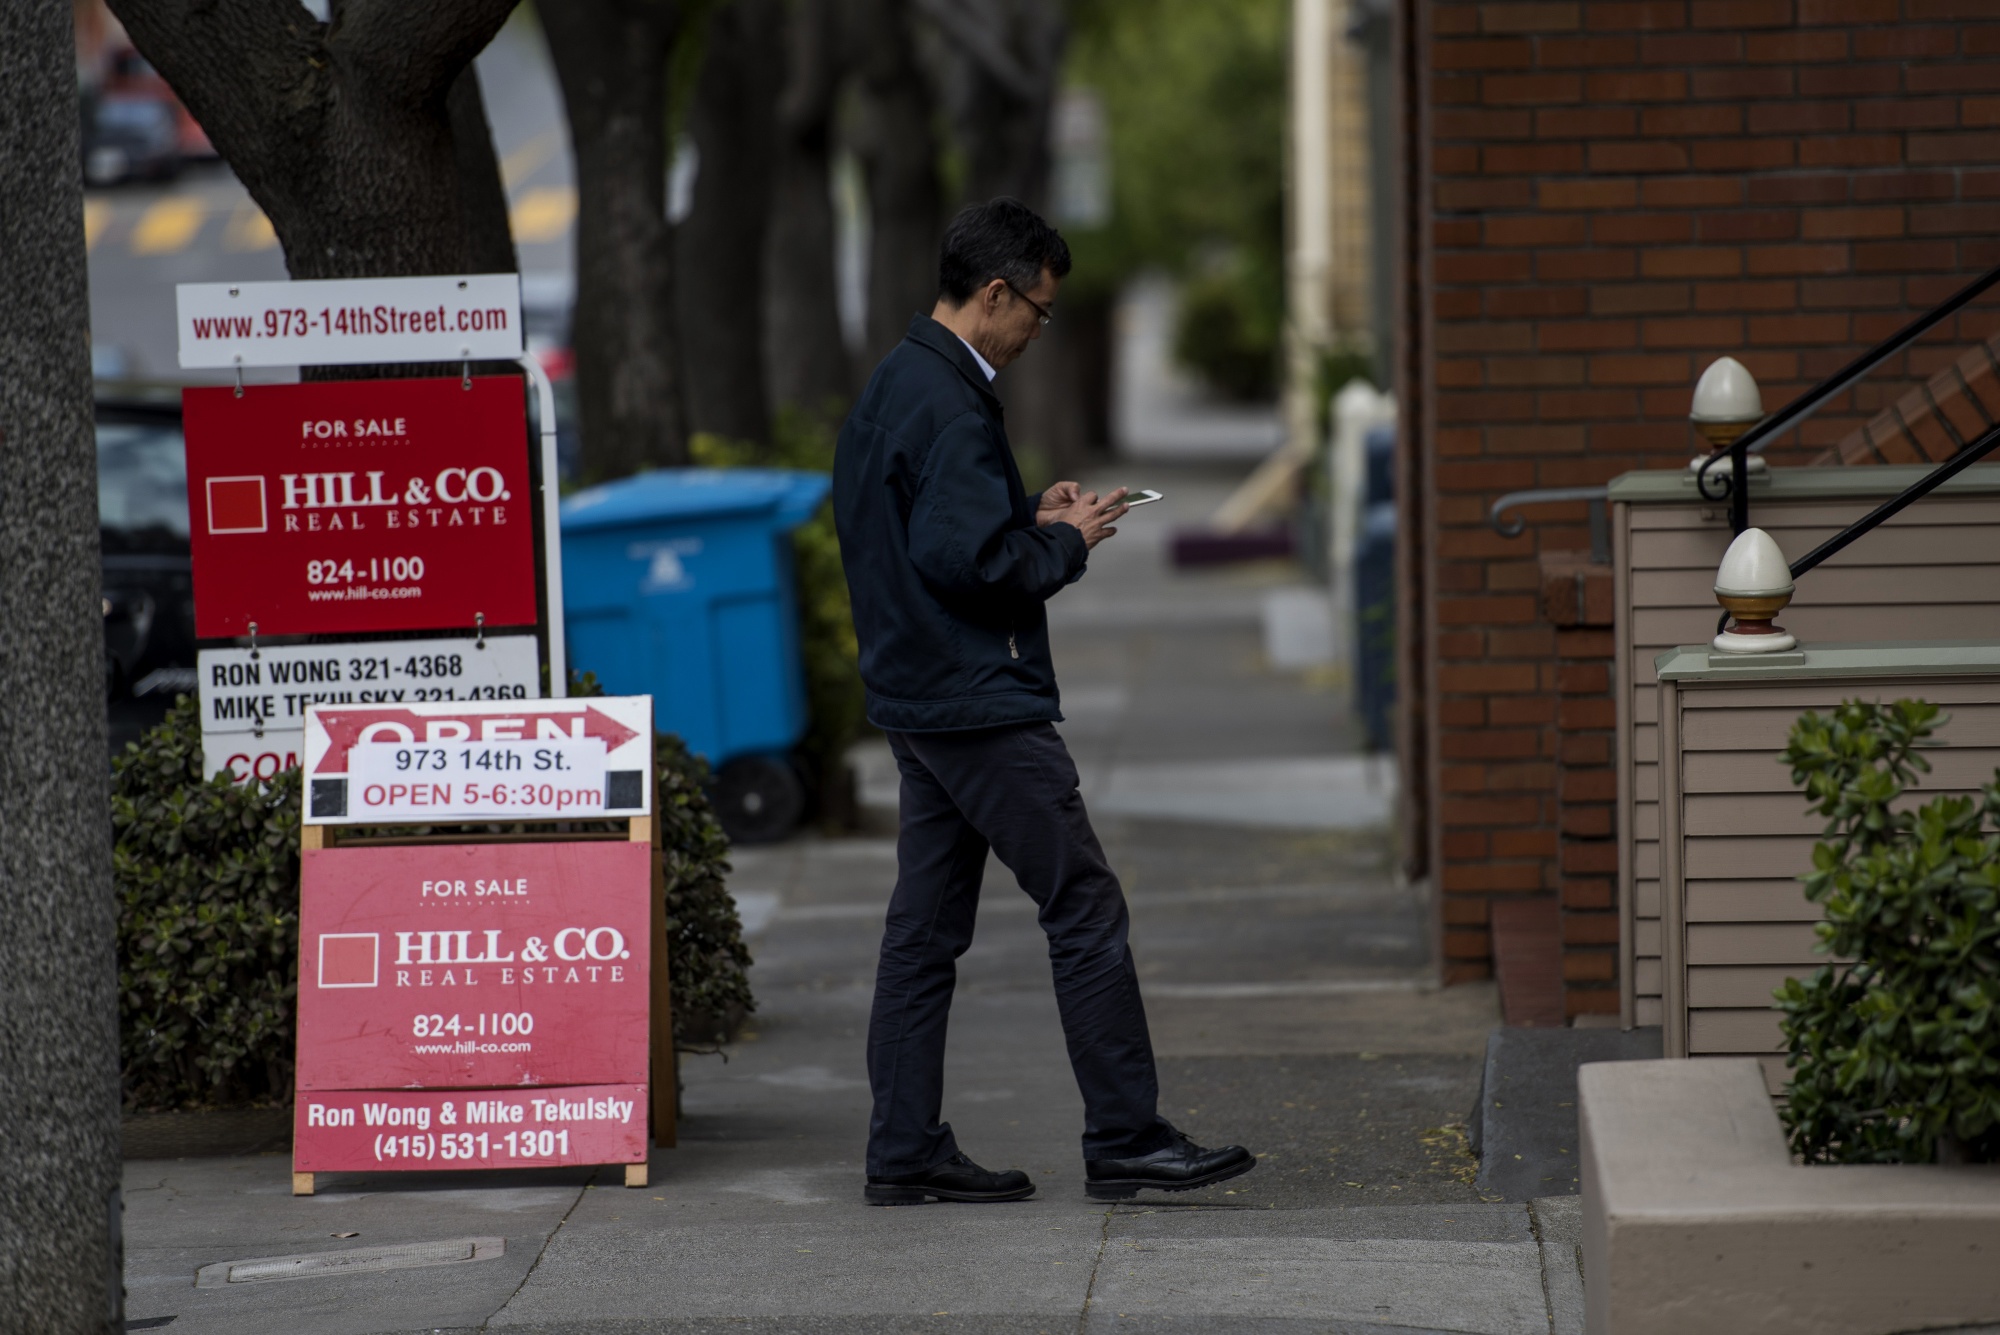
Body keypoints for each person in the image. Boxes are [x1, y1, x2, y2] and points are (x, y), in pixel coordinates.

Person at [832, 197, 1255, 1206]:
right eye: (1037, 309)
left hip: (915, 696)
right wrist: (1065, 545)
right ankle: (1125, 1136)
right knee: (1083, 905)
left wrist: (1028, 515)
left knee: (921, 933)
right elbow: (972, 567)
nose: (1037, 329)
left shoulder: (898, 383)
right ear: (992, 294)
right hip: (978, 703)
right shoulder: (949, 401)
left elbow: (920, 535)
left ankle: (903, 1150)